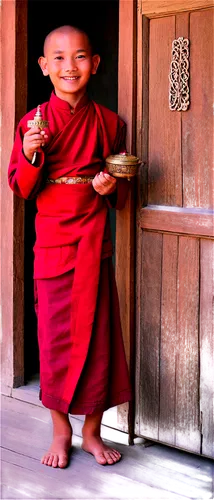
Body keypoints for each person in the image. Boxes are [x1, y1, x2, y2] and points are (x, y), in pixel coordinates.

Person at [8, 25, 132, 469]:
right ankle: (61, 432)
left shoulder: (109, 122)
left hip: (93, 241)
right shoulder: (34, 121)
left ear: (95, 64)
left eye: (79, 57)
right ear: (44, 67)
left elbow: (120, 188)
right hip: (54, 244)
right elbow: (22, 187)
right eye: (58, 58)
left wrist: (106, 186)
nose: (69, 66)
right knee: (55, 338)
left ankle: (93, 432)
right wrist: (30, 151)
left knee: (99, 339)